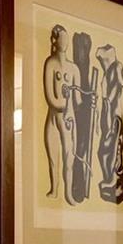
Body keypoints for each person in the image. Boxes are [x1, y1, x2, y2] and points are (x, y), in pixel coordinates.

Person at [41, 24, 80, 201]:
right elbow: (50, 97)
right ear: (55, 41)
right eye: (61, 38)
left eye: (66, 38)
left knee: (68, 158)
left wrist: (86, 100)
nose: (64, 42)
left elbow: (78, 99)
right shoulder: (50, 63)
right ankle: (54, 189)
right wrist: (64, 102)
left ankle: (69, 193)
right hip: (53, 118)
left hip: (68, 119)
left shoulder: (74, 69)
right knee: (53, 158)